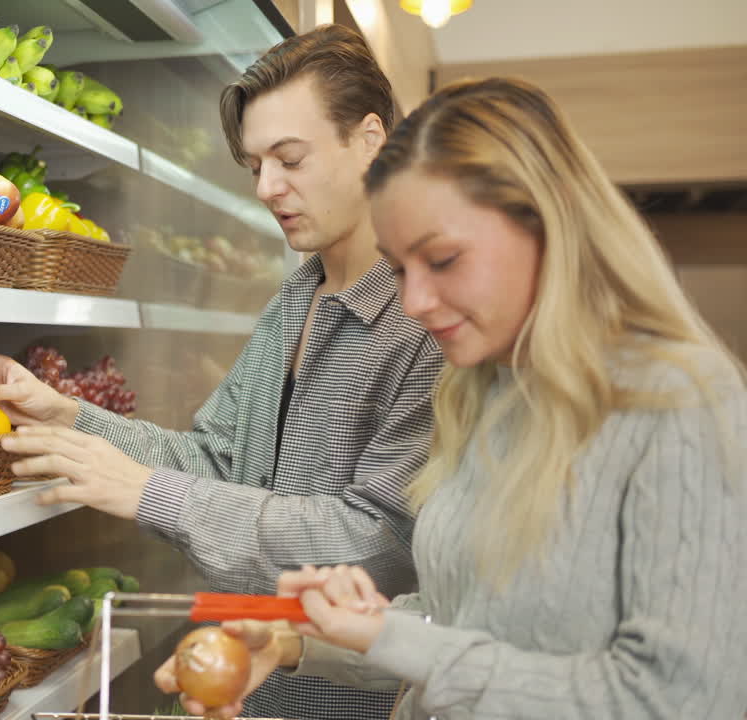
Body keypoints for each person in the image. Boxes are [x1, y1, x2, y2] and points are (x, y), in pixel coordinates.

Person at [156, 76, 747, 719]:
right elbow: (459, 621)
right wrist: (295, 638)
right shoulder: (483, 391)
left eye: (442, 260)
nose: (416, 303)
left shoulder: (681, 402)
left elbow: (671, 699)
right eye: (402, 269)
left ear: (548, 225)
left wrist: (389, 638)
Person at [0, 24, 443, 720]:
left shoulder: (429, 324)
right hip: (241, 691)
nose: (268, 187)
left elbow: (379, 549)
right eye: (255, 164)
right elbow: (213, 458)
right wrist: (69, 416)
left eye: (290, 158)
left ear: (371, 140)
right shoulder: (293, 302)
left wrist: (149, 492)